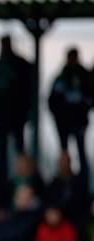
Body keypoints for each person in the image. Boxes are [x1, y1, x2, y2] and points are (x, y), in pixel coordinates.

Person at [0, 35, 32, 178]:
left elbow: (29, 88)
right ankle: (3, 179)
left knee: (19, 150)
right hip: (1, 117)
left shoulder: (20, 65)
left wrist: (26, 110)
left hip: (17, 116)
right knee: (1, 152)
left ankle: (22, 179)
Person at [48, 48, 92, 179]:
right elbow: (52, 101)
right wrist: (58, 116)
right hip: (64, 122)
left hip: (79, 121)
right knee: (64, 153)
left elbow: (90, 97)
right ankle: (64, 182)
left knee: (81, 153)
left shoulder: (85, 77)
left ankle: (83, 183)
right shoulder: (62, 77)